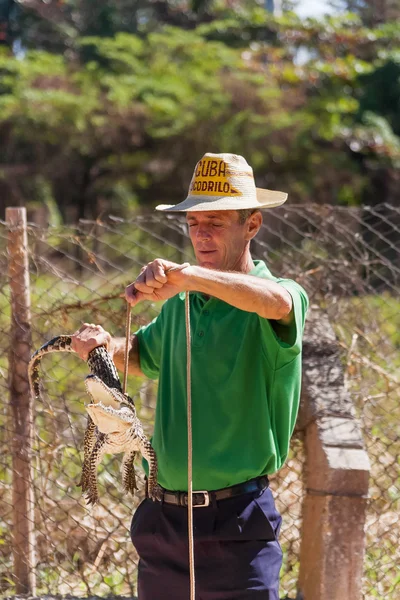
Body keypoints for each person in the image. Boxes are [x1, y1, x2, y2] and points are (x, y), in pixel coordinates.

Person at [72, 153, 308, 600]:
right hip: (163, 521)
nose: (201, 234)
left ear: (252, 225)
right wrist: (104, 345)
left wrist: (191, 277)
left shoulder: (278, 297)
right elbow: (143, 353)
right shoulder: (180, 305)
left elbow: (277, 303)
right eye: (194, 222)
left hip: (237, 522)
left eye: (216, 223)